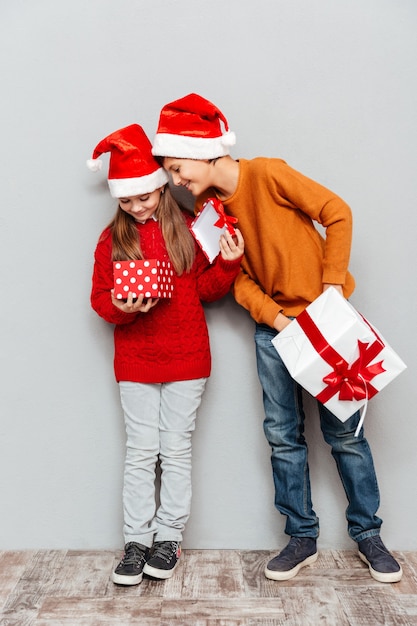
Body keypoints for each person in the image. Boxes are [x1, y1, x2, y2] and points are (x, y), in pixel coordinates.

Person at [151, 93, 403, 584]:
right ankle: (301, 537)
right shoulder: (208, 210)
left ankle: (369, 535)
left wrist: (331, 289)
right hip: (275, 334)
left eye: (179, 168)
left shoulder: (267, 173)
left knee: (346, 435)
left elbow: (337, 211)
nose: (177, 181)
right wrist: (276, 318)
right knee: (283, 436)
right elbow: (239, 280)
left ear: (203, 150)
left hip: (326, 322)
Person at [88, 123, 244, 586]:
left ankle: (168, 537)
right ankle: (135, 540)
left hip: (186, 356)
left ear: (159, 187)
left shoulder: (191, 232)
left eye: (144, 197)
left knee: (175, 450)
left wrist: (230, 264)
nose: (136, 207)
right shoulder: (110, 240)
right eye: (126, 201)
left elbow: (208, 292)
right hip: (135, 357)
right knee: (141, 452)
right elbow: (99, 299)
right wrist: (120, 308)